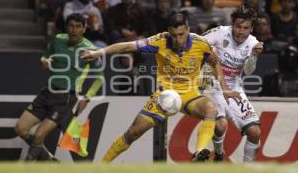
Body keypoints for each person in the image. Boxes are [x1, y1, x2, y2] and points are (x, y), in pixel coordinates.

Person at [80, 13, 241, 163]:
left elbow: (214, 63)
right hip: (164, 96)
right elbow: (127, 46)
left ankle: (199, 152)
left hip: (189, 94)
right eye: (174, 35)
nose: (177, 40)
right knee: (132, 133)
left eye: (181, 34)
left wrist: (225, 89)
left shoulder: (201, 44)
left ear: (188, 30)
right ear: (168, 31)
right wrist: (100, 52)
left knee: (210, 109)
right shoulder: (160, 41)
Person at [14, 13, 104, 161]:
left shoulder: (90, 49)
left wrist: (86, 98)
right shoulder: (58, 40)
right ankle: (49, 160)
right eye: (71, 26)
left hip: (66, 98)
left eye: (78, 27)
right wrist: (44, 61)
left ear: (84, 29)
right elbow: (45, 55)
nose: (74, 30)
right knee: (20, 129)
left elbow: (100, 79)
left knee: (38, 136)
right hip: (47, 93)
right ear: (66, 27)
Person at [200, 6, 263, 162]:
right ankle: (219, 154)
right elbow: (196, 44)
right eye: (238, 26)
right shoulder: (220, 32)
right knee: (220, 126)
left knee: (255, 132)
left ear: (251, 28)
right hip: (212, 84)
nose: (241, 31)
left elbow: (248, 72)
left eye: (245, 28)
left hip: (234, 87)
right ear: (232, 24)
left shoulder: (253, 43)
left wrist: (254, 56)